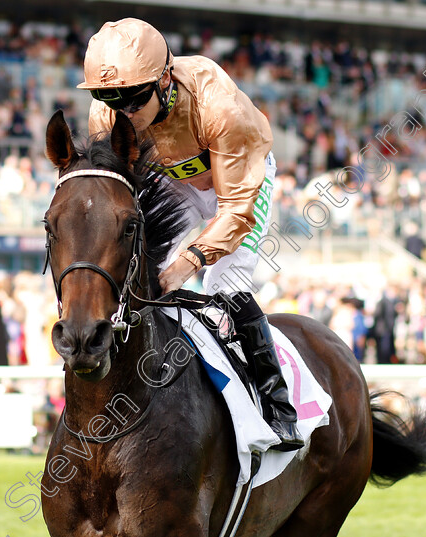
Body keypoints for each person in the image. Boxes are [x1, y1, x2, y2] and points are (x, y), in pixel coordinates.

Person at [78, 18, 302, 451]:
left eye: (133, 98)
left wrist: (189, 262)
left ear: (165, 78)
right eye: (108, 97)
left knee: (224, 285)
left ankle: (278, 407)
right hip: (172, 181)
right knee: (137, 274)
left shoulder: (219, 106)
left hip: (234, 184)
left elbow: (236, 210)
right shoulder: (104, 113)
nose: (121, 110)